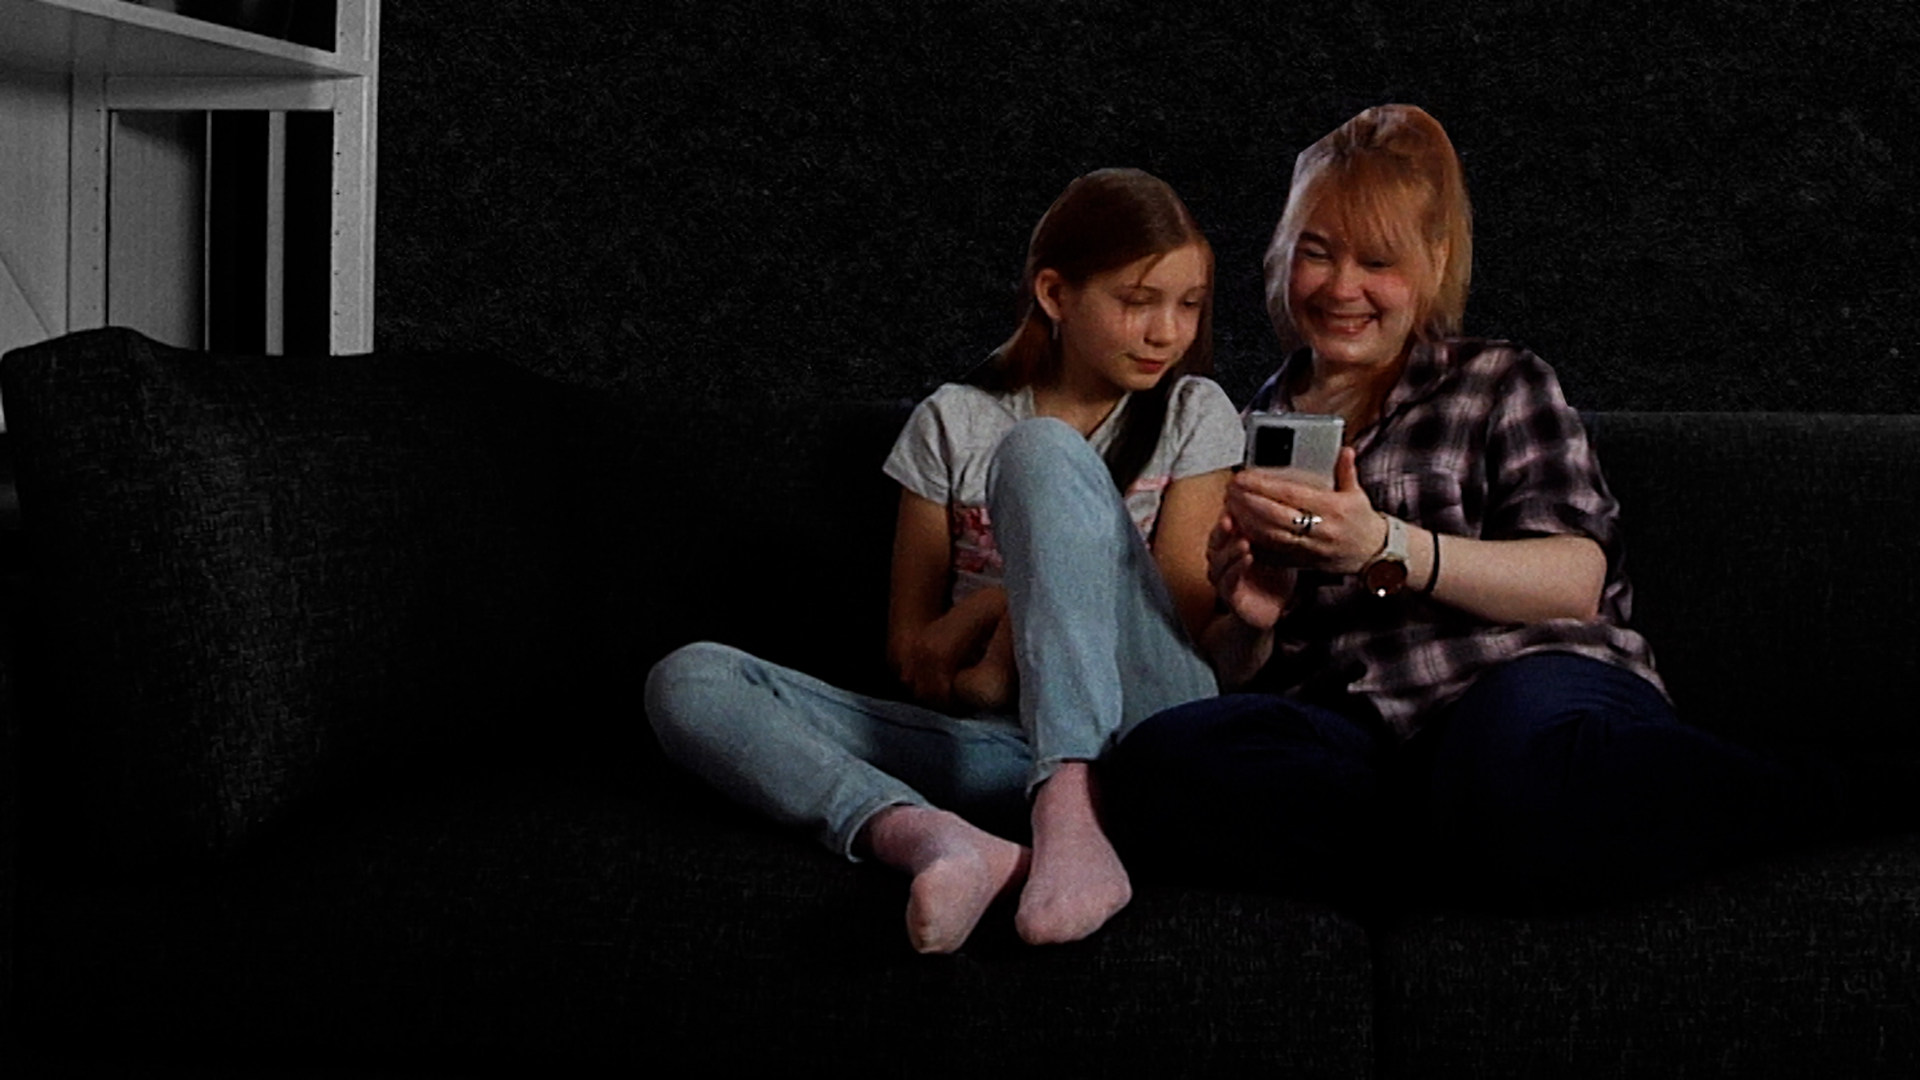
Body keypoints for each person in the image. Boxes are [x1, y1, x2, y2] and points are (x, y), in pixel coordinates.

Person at [1101, 105, 1864, 912]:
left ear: (1432, 264)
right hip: (1364, 737)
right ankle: (1487, 847)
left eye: (1378, 261)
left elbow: (1574, 579)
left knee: (1507, 771)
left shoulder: (1498, 380)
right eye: (1316, 253)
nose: (1342, 287)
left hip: (1525, 689)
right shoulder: (1244, 430)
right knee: (1156, 769)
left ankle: (1826, 791)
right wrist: (1253, 621)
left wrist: (1384, 545)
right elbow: (1232, 673)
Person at [645, 168, 1245, 951]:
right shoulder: (953, 422)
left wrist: (999, 606)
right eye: (1138, 302)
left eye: (1189, 305)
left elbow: (1183, 615)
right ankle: (938, 842)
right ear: (1055, 294)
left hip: (1145, 729)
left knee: (1039, 452)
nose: (1168, 332)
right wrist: (983, 675)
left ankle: (1073, 804)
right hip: (997, 746)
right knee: (687, 680)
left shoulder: (1193, 411)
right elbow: (912, 656)